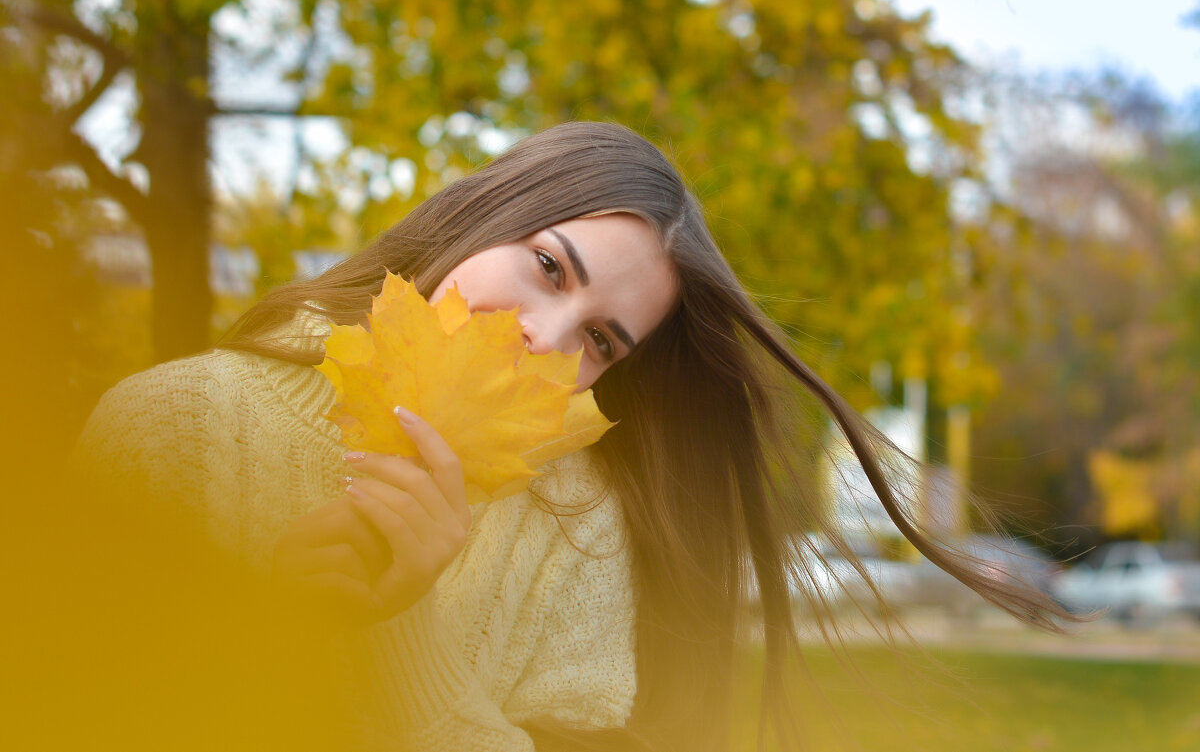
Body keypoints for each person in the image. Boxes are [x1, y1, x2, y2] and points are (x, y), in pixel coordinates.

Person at [69, 121, 1070, 752]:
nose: (544, 337)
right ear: (481, 215)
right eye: (549, 267)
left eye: (601, 339)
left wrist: (399, 631)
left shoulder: (579, 527)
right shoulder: (177, 426)